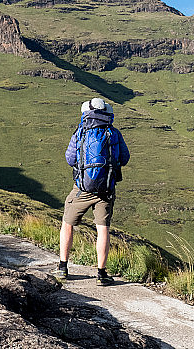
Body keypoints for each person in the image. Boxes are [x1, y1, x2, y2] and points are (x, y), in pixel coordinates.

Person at [53, 97, 129, 286]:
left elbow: (70, 159)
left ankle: (63, 267)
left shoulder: (80, 132)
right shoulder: (114, 133)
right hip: (106, 189)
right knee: (103, 229)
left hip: (82, 189)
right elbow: (125, 158)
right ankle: (101, 274)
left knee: (67, 224)